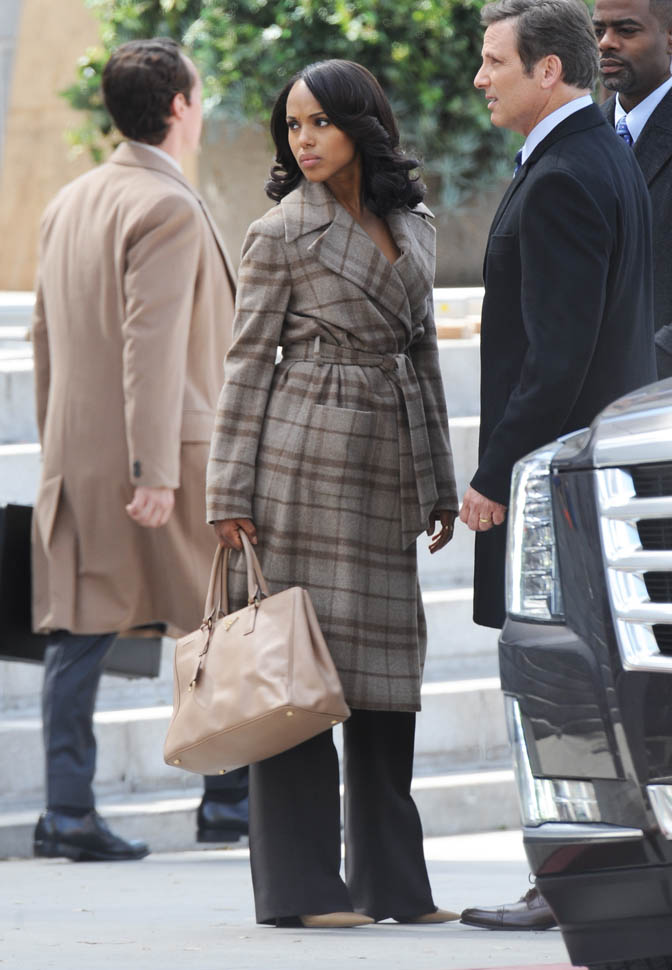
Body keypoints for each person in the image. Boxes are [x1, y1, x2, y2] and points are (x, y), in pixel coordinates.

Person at [206, 59, 459, 928]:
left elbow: (423, 353)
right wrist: (229, 489)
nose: (304, 140)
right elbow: (246, 364)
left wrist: (441, 481)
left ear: (363, 124)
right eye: (293, 125)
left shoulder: (413, 221)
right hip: (302, 463)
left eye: (321, 122)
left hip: (388, 461)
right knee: (296, 673)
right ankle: (303, 890)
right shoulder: (279, 232)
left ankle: (396, 887)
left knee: (388, 675)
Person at [458, 0, 656, 931]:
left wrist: (495, 473)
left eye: (494, 62)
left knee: (561, 686)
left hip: (560, 487)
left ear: (548, 71)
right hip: (586, 475)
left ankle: (567, 883)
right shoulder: (597, 154)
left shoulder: (568, 173)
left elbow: (558, 356)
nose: (479, 78)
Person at [31, 37, 241, 862]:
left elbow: (45, 340)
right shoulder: (167, 205)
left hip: (79, 455)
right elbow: (151, 346)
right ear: (181, 106)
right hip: (164, 457)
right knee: (213, 624)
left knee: (80, 632)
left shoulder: (70, 200)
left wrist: (58, 445)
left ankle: (67, 813)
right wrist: (152, 470)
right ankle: (227, 800)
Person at [594, 0, 672, 379]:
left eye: (626, 30)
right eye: (599, 31)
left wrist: (645, 363)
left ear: (669, 37)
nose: (606, 43)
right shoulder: (579, 137)